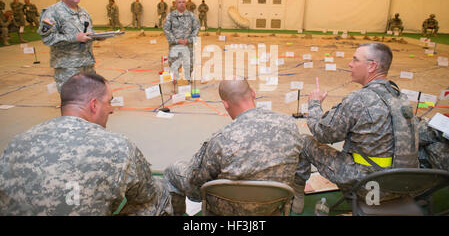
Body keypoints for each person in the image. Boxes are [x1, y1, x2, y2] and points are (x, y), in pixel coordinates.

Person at [0, 72, 172, 216]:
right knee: (159, 192)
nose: (112, 109)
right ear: (94, 105)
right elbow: (146, 193)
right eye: (109, 101)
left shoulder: (17, 143)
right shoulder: (118, 146)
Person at [295, 42, 420, 207]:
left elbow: (322, 133)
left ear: (371, 66)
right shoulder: (400, 97)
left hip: (369, 185)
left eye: (355, 60)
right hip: (403, 183)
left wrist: (315, 104)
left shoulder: (359, 99)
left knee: (304, 142)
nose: (350, 64)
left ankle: (296, 198)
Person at [164, 79, 305, 215]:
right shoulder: (290, 125)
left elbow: (195, 188)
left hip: (228, 211)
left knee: (172, 171)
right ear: (253, 93)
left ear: (225, 104)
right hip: (272, 205)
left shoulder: (222, 140)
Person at [38, 0, 97, 93]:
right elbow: (48, 39)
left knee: (89, 97)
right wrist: (74, 38)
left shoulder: (83, 11)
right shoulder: (52, 12)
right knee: (72, 99)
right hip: (68, 67)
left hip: (87, 64)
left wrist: (96, 36)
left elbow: (88, 31)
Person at [163, 0, 200, 92]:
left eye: (183, 2)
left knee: (190, 63)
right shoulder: (170, 16)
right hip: (175, 45)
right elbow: (166, 29)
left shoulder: (191, 15)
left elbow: (196, 27)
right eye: (179, 2)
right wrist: (176, 40)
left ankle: (187, 79)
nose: (181, 4)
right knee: (174, 63)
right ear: (175, 4)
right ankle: (176, 80)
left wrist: (190, 39)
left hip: (188, 45)